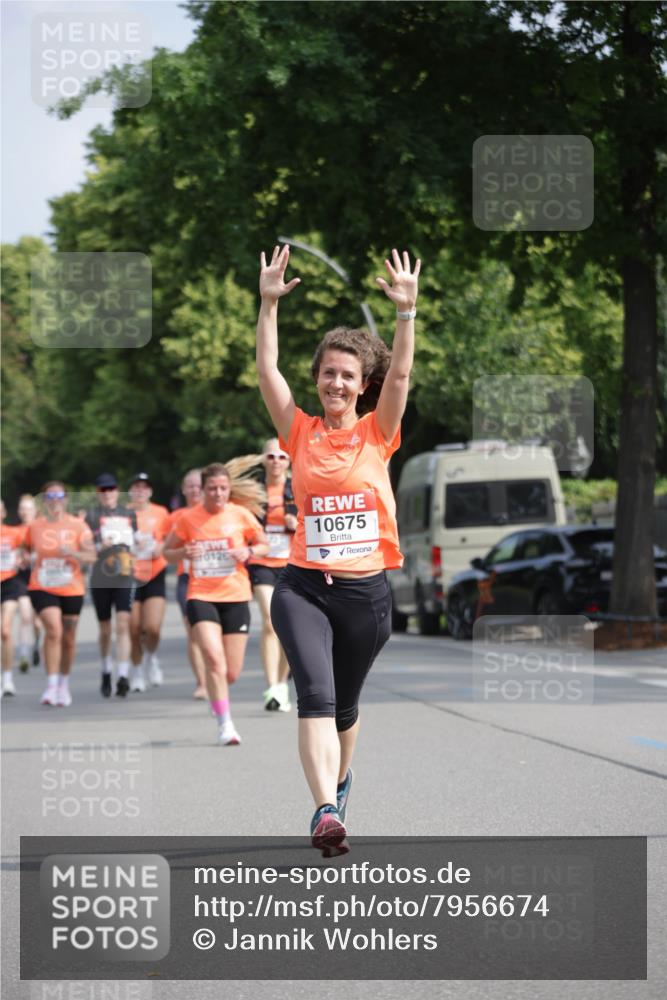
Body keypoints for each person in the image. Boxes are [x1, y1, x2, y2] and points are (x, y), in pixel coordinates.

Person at [256, 243, 420, 854]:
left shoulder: (379, 432)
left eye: (348, 375)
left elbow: (400, 376)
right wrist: (268, 304)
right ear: (318, 378)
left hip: (365, 597)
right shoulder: (298, 431)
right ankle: (325, 809)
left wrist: (405, 312)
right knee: (316, 699)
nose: (336, 382)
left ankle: (340, 783)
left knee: (345, 708)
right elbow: (267, 371)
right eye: (328, 372)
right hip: (302, 587)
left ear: (362, 385)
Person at [163, 461, 269, 746]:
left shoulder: (240, 514)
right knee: (213, 659)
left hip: (236, 596)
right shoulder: (188, 518)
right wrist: (183, 553)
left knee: (230, 672)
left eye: (223, 488)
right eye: (212, 489)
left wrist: (248, 551)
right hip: (201, 595)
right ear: (203, 490)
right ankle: (226, 725)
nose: (218, 493)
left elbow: (264, 545)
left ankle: (217, 694)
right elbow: (166, 552)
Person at [23, 483, 95, 706]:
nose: (55, 499)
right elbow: (25, 550)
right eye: (50, 496)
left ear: (65, 499)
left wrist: (73, 553)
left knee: (69, 638)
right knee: (54, 630)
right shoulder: (35, 526)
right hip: (42, 585)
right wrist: (24, 558)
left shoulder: (78, 525)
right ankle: (51, 685)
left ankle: (63, 684)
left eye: (59, 495)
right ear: (44, 500)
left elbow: (92, 556)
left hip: (71, 587)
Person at [248, 438, 297, 712]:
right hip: (262, 563)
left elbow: (315, 521)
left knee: (288, 626)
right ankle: (271, 688)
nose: (276, 461)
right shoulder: (253, 492)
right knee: (269, 620)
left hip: (292, 563)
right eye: (271, 456)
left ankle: (281, 684)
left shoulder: (299, 487)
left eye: (281, 456)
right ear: (263, 460)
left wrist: (297, 522)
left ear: (289, 461)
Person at [85, 473, 137, 698]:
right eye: (103, 490)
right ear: (98, 493)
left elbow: (136, 541)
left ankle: (123, 675)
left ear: (117, 490)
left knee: (123, 624)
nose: (107, 493)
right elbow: (84, 547)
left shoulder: (129, 514)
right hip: (100, 576)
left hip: (124, 573)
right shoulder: (90, 516)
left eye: (111, 489)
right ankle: (106, 669)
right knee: (105, 628)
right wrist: (99, 545)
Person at [128, 473, 170, 692]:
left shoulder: (161, 512)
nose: (140, 491)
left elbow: (170, 538)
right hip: (130, 574)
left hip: (155, 572)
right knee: (134, 628)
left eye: (144, 487)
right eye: (136, 486)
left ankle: (151, 657)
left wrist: (160, 548)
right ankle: (136, 670)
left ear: (150, 491)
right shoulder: (122, 513)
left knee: (152, 628)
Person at [168, 469, 207, 699]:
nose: (195, 490)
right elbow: (165, 549)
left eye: (199, 485)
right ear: (183, 490)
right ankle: (202, 682)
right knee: (193, 632)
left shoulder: (217, 513)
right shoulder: (176, 517)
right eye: (190, 485)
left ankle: (215, 673)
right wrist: (183, 551)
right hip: (187, 578)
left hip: (216, 580)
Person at [1, 499, 27, 696]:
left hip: (10, 583)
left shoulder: (14, 533)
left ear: (3, 513)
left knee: (5, 630)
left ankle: (7, 679)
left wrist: (22, 558)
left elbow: (27, 551)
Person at [16, 494, 41, 671]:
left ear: (35, 511)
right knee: (25, 616)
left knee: (37, 622)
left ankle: (36, 645)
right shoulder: (15, 531)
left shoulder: (42, 529)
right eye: (23, 509)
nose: (25, 512)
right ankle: (24, 654)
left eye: (29, 509)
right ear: (19, 511)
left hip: (39, 578)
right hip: (21, 578)